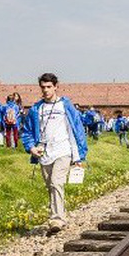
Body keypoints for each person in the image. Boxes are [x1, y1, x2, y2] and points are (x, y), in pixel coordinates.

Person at [21, 73, 88, 234]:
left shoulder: (65, 106)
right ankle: (57, 214)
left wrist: (78, 156)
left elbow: (76, 129)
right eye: (43, 87)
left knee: (56, 182)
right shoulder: (36, 109)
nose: (46, 90)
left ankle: (57, 219)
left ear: (56, 86)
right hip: (44, 153)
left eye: (49, 87)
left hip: (63, 150)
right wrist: (31, 148)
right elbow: (27, 132)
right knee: (50, 185)